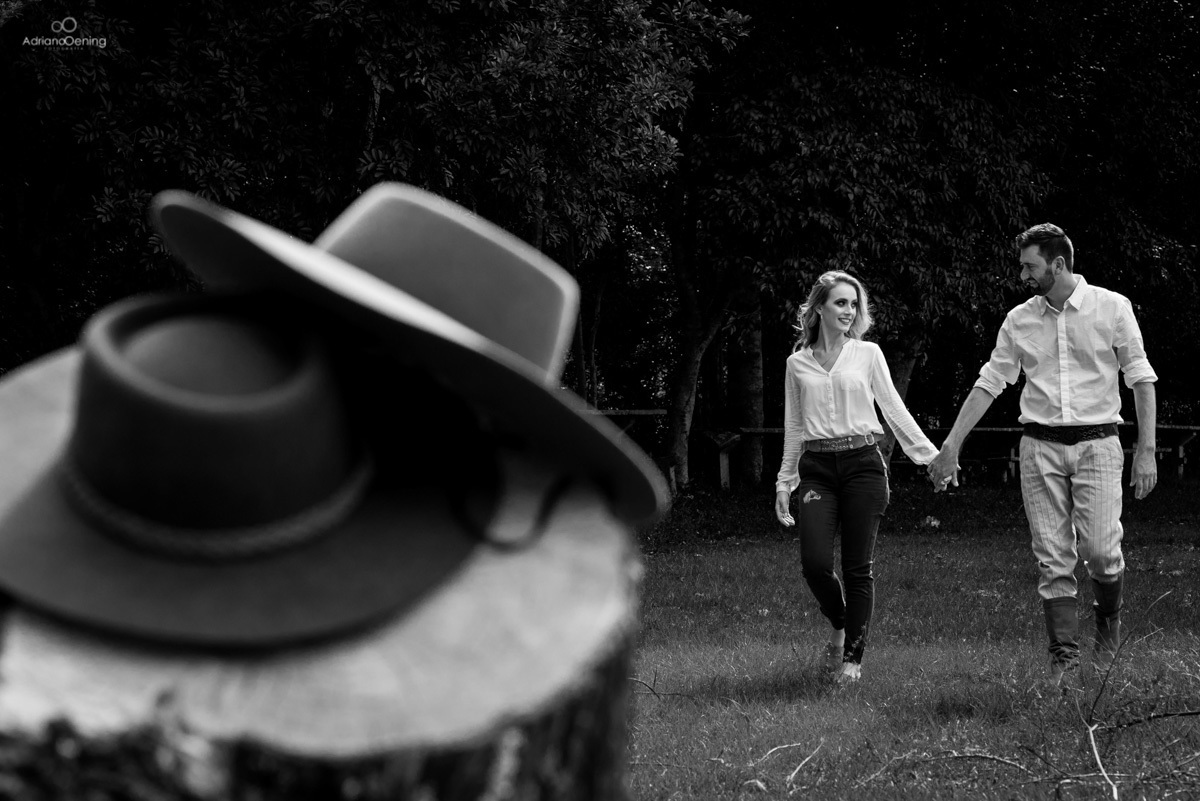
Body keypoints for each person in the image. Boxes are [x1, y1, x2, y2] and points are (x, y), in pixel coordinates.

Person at [927, 223, 1157, 683]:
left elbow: (1141, 377)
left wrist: (1146, 450)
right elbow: (990, 382)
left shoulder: (1111, 307)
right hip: (1039, 447)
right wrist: (951, 445)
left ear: (1058, 264)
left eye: (1030, 266)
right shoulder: (1019, 319)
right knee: (1053, 557)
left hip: (1098, 445)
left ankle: (1108, 627)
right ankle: (1064, 660)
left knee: (1099, 550)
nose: (1024, 275)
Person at [774, 270, 940, 684]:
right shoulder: (797, 363)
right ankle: (841, 622)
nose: (849, 311)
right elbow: (794, 427)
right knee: (814, 564)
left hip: (863, 465)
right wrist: (784, 481)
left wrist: (931, 457)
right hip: (817, 470)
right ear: (819, 309)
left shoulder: (867, 354)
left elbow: (894, 410)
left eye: (853, 304)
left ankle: (852, 661)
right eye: (840, 303)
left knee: (856, 568)